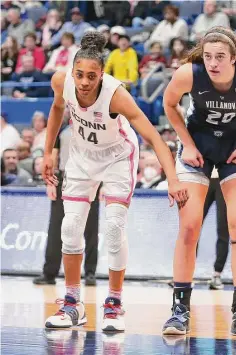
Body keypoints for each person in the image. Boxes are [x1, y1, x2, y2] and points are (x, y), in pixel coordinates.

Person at [42, 31, 189, 332]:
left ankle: (114, 304)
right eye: (80, 75)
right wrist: (48, 151)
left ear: (102, 74)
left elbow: (153, 137)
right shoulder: (61, 81)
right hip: (82, 155)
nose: (84, 82)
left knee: (113, 227)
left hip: (117, 157)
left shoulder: (116, 94)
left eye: (91, 76)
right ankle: (72, 304)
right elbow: (57, 109)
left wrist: (172, 179)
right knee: (69, 228)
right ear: (72, 71)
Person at [161, 26, 236, 338]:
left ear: (235, 58)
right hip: (197, 147)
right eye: (209, 56)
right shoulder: (189, 74)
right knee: (189, 226)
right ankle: (179, 309)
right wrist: (185, 143)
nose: (213, 63)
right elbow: (168, 104)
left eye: (220, 57)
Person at [33, 119, 100, 286]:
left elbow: (102, 158)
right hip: (65, 178)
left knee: (91, 229)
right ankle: (49, 273)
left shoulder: (98, 128)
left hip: (91, 179)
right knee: (56, 228)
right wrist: (50, 182)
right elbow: (52, 157)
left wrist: (103, 184)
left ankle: (90, 273)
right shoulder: (62, 130)